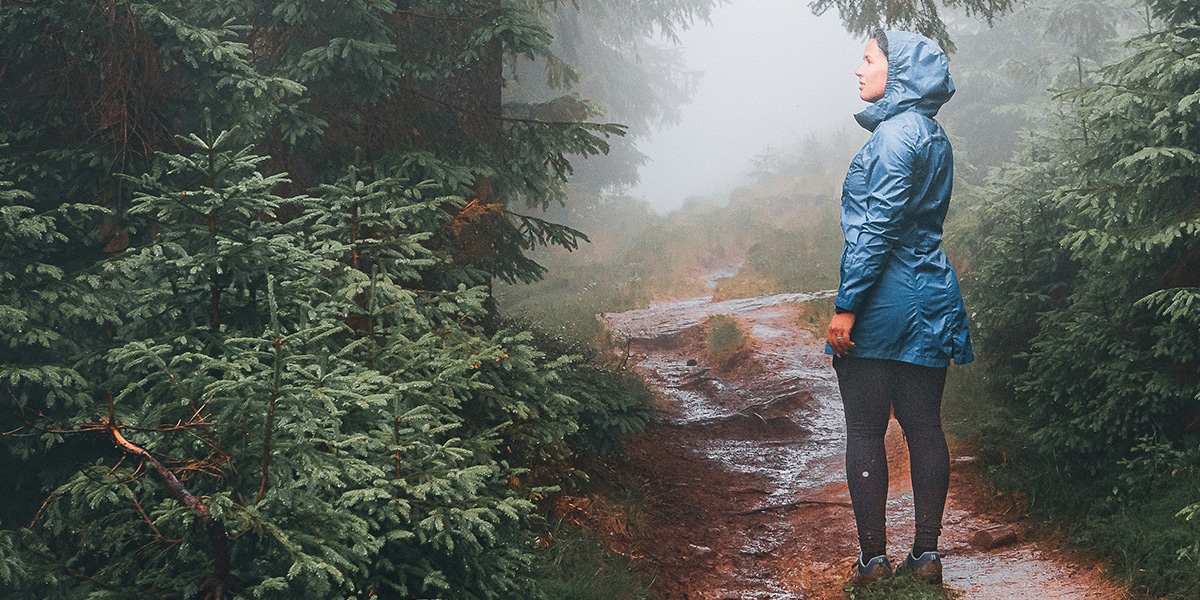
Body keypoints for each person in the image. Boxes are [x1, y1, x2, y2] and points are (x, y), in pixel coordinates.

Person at [825, 28, 973, 586]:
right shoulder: (933, 135)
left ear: (900, 71)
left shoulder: (891, 138)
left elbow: (878, 228)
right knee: (924, 426)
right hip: (931, 295)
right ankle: (927, 556)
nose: (858, 70)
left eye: (868, 60)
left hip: (882, 300)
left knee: (865, 429)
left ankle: (872, 563)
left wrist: (846, 306)